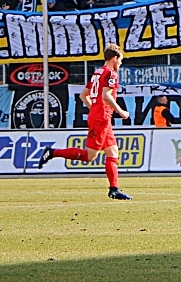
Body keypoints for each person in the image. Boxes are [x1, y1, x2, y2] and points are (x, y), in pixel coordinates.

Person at [38, 44, 133, 200]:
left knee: (113, 152)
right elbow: (106, 96)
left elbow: (84, 95)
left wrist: (94, 109)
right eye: (120, 60)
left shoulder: (97, 72)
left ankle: (114, 189)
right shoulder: (111, 73)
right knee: (90, 156)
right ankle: (53, 152)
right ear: (115, 58)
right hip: (101, 118)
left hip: (100, 116)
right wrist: (121, 111)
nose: (121, 64)